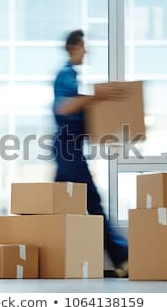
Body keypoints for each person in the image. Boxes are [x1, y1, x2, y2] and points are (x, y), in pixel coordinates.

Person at [52, 29, 129, 277]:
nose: (87, 51)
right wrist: (98, 96)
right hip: (68, 149)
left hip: (71, 148)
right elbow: (64, 107)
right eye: (84, 46)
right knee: (93, 202)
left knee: (56, 205)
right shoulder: (66, 75)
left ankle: (52, 256)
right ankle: (122, 259)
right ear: (74, 47)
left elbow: (77, 108)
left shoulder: (72, 76)